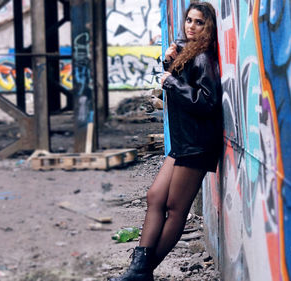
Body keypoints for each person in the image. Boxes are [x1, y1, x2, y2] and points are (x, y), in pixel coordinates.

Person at [109, 2, 223, 281]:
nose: (191, 26)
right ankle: (139, 270)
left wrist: (169, 80)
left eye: (199, 22)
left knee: (175, 209)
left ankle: (140, 272)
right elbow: (183, 84)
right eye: (189, 20)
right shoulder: (190, 53)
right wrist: (169, 64)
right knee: (155, 197)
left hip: (197, 144)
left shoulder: (204, 57)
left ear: (208, 27)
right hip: (184, 142)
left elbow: (207, 102)